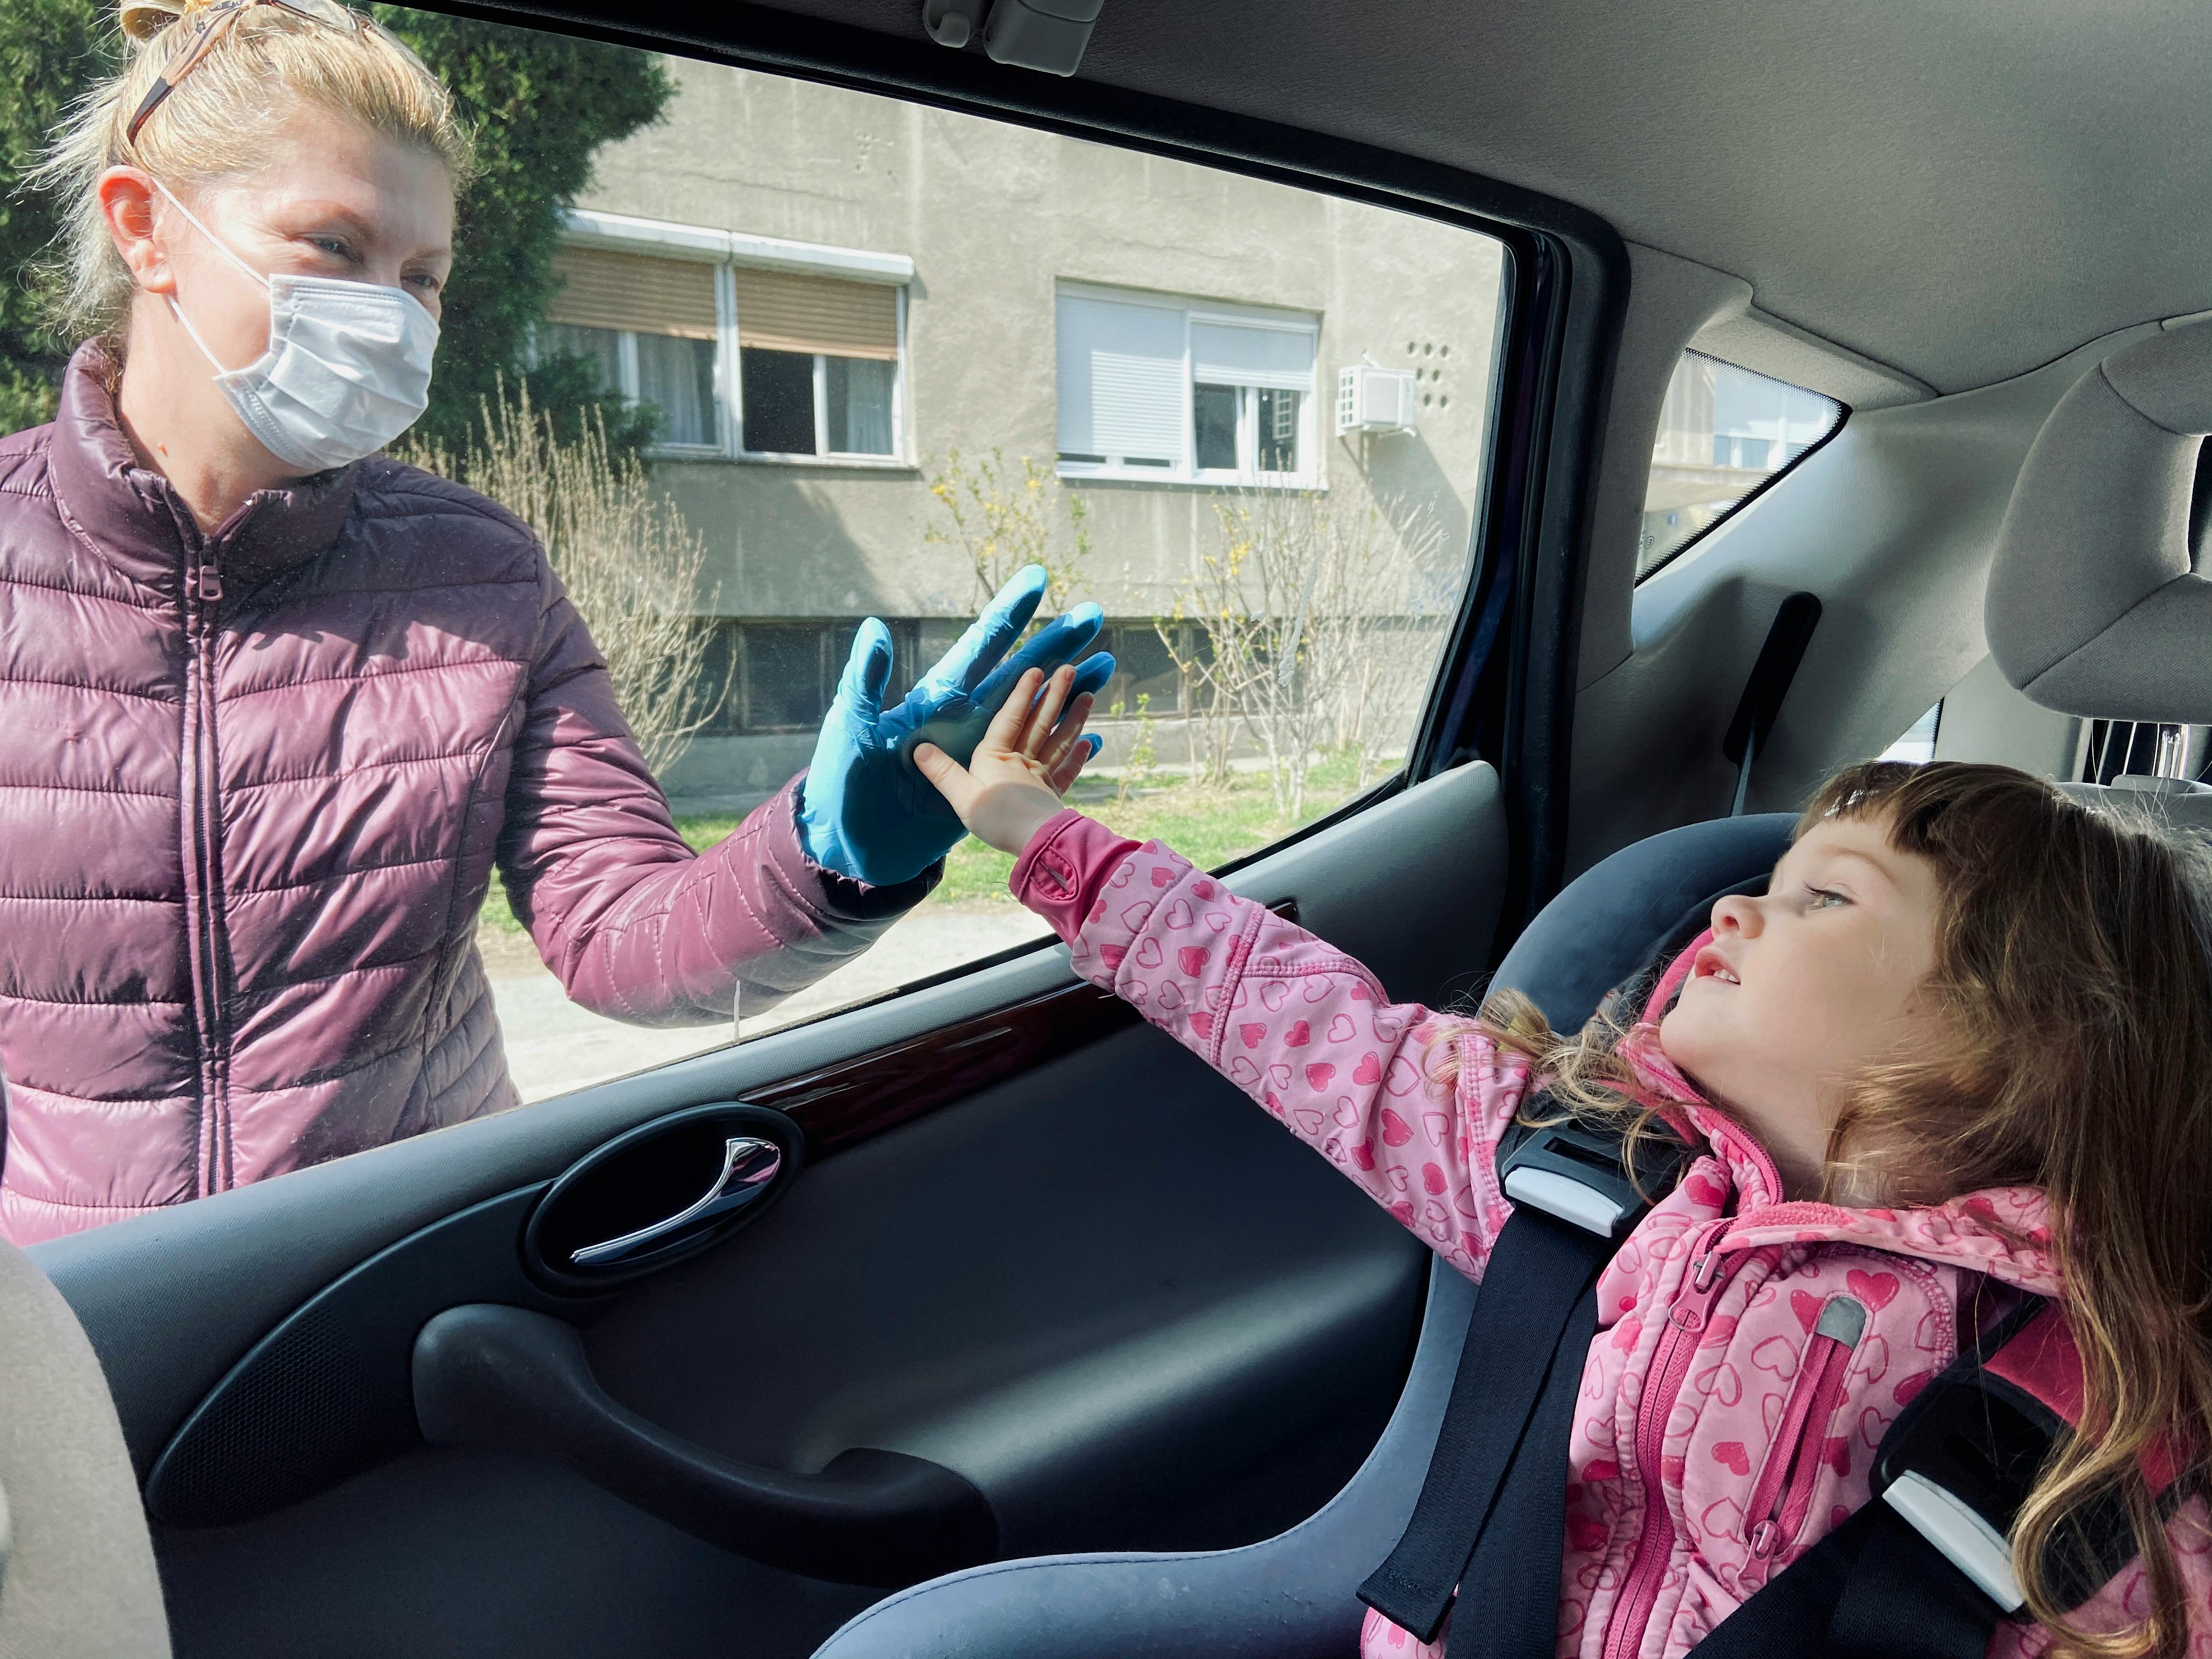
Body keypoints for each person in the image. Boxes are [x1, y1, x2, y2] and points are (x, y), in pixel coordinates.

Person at [0, 0, 1108, 1244]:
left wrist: (830, 854)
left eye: (422, 277)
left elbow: (616, 933)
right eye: (333, 245)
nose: (390, 313)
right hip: (64, 1328)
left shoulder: (477, 570)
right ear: (147, 227)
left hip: (383, 1277)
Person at [919, 665, 2212, 1659]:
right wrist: (1052, 846)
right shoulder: (1596, 1172)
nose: (1732, 905)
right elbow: (1304, 1028)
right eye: (1774, 877)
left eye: (1828, 898)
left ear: (2015, 1032)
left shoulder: (2102, 1402)